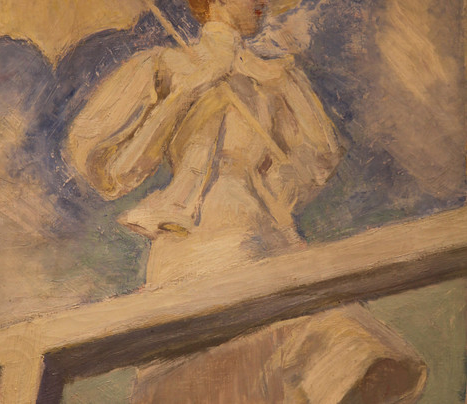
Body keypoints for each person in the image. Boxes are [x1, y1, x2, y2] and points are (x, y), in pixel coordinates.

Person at [65, 0, 427, 402]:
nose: (262, 3)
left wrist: (281, 174)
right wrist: (186, 90)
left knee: (338, 352)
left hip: (268, 234)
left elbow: (319, 159)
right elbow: (111, 174)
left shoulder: (275, 73)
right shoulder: (166, 65)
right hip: (192, 245)